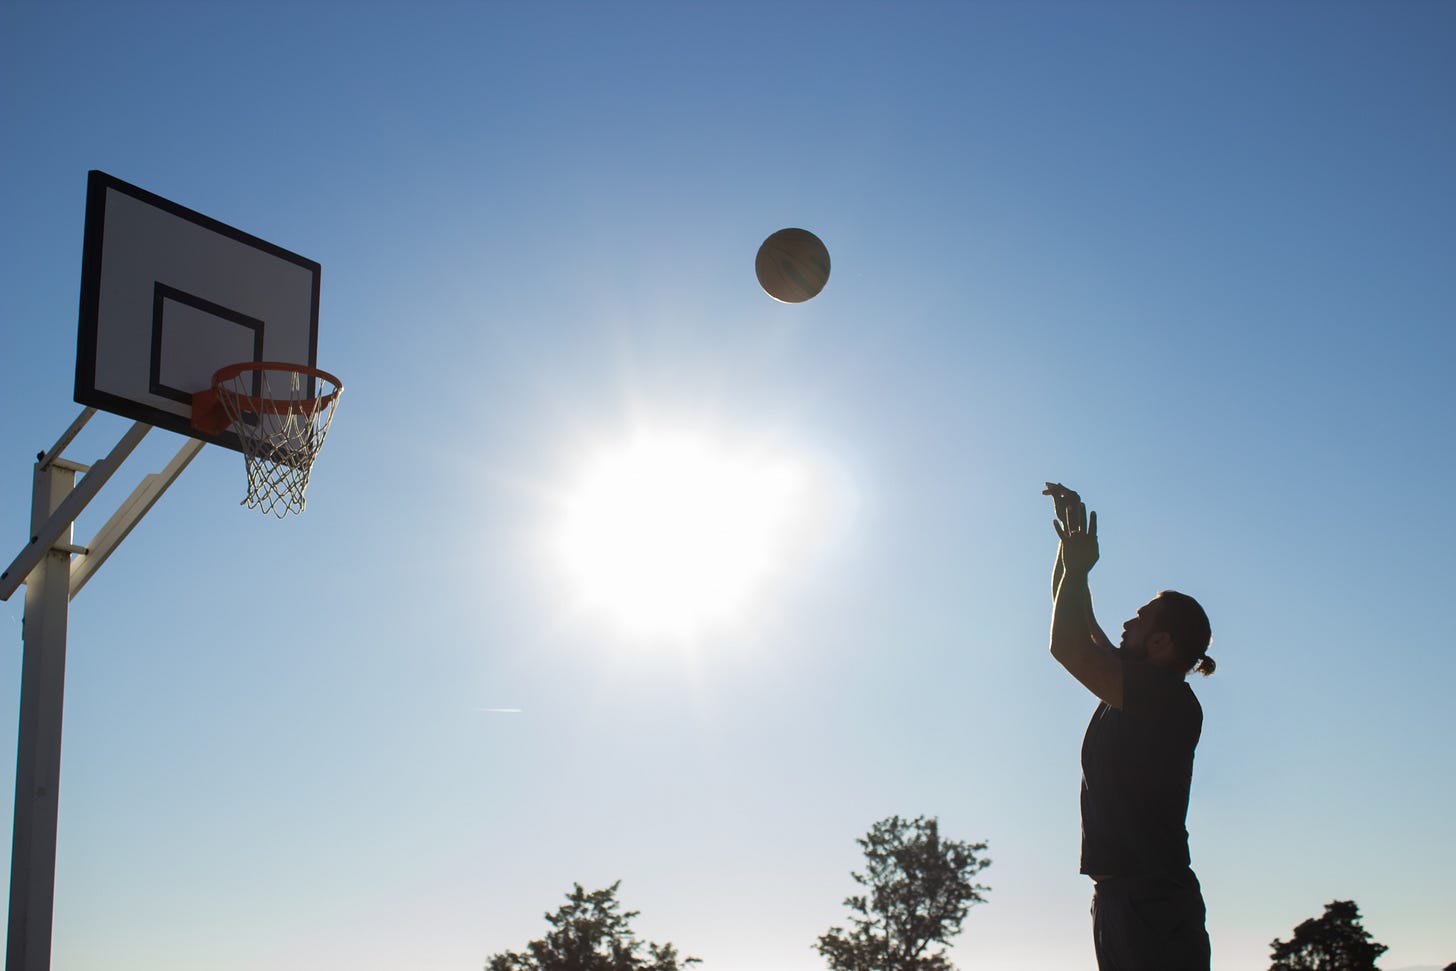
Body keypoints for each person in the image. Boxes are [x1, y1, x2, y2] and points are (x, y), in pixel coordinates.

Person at [1044, 482, 1215, 971]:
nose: (1126, 624)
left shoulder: (1165, 700)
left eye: (1139, 620)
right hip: (1123, 899)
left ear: (1161, 642)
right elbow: (1075, 620)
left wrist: (1077, 567)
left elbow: (1068, 645)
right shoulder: (1132, 684)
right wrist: (1067, 547)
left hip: (1152, 904)